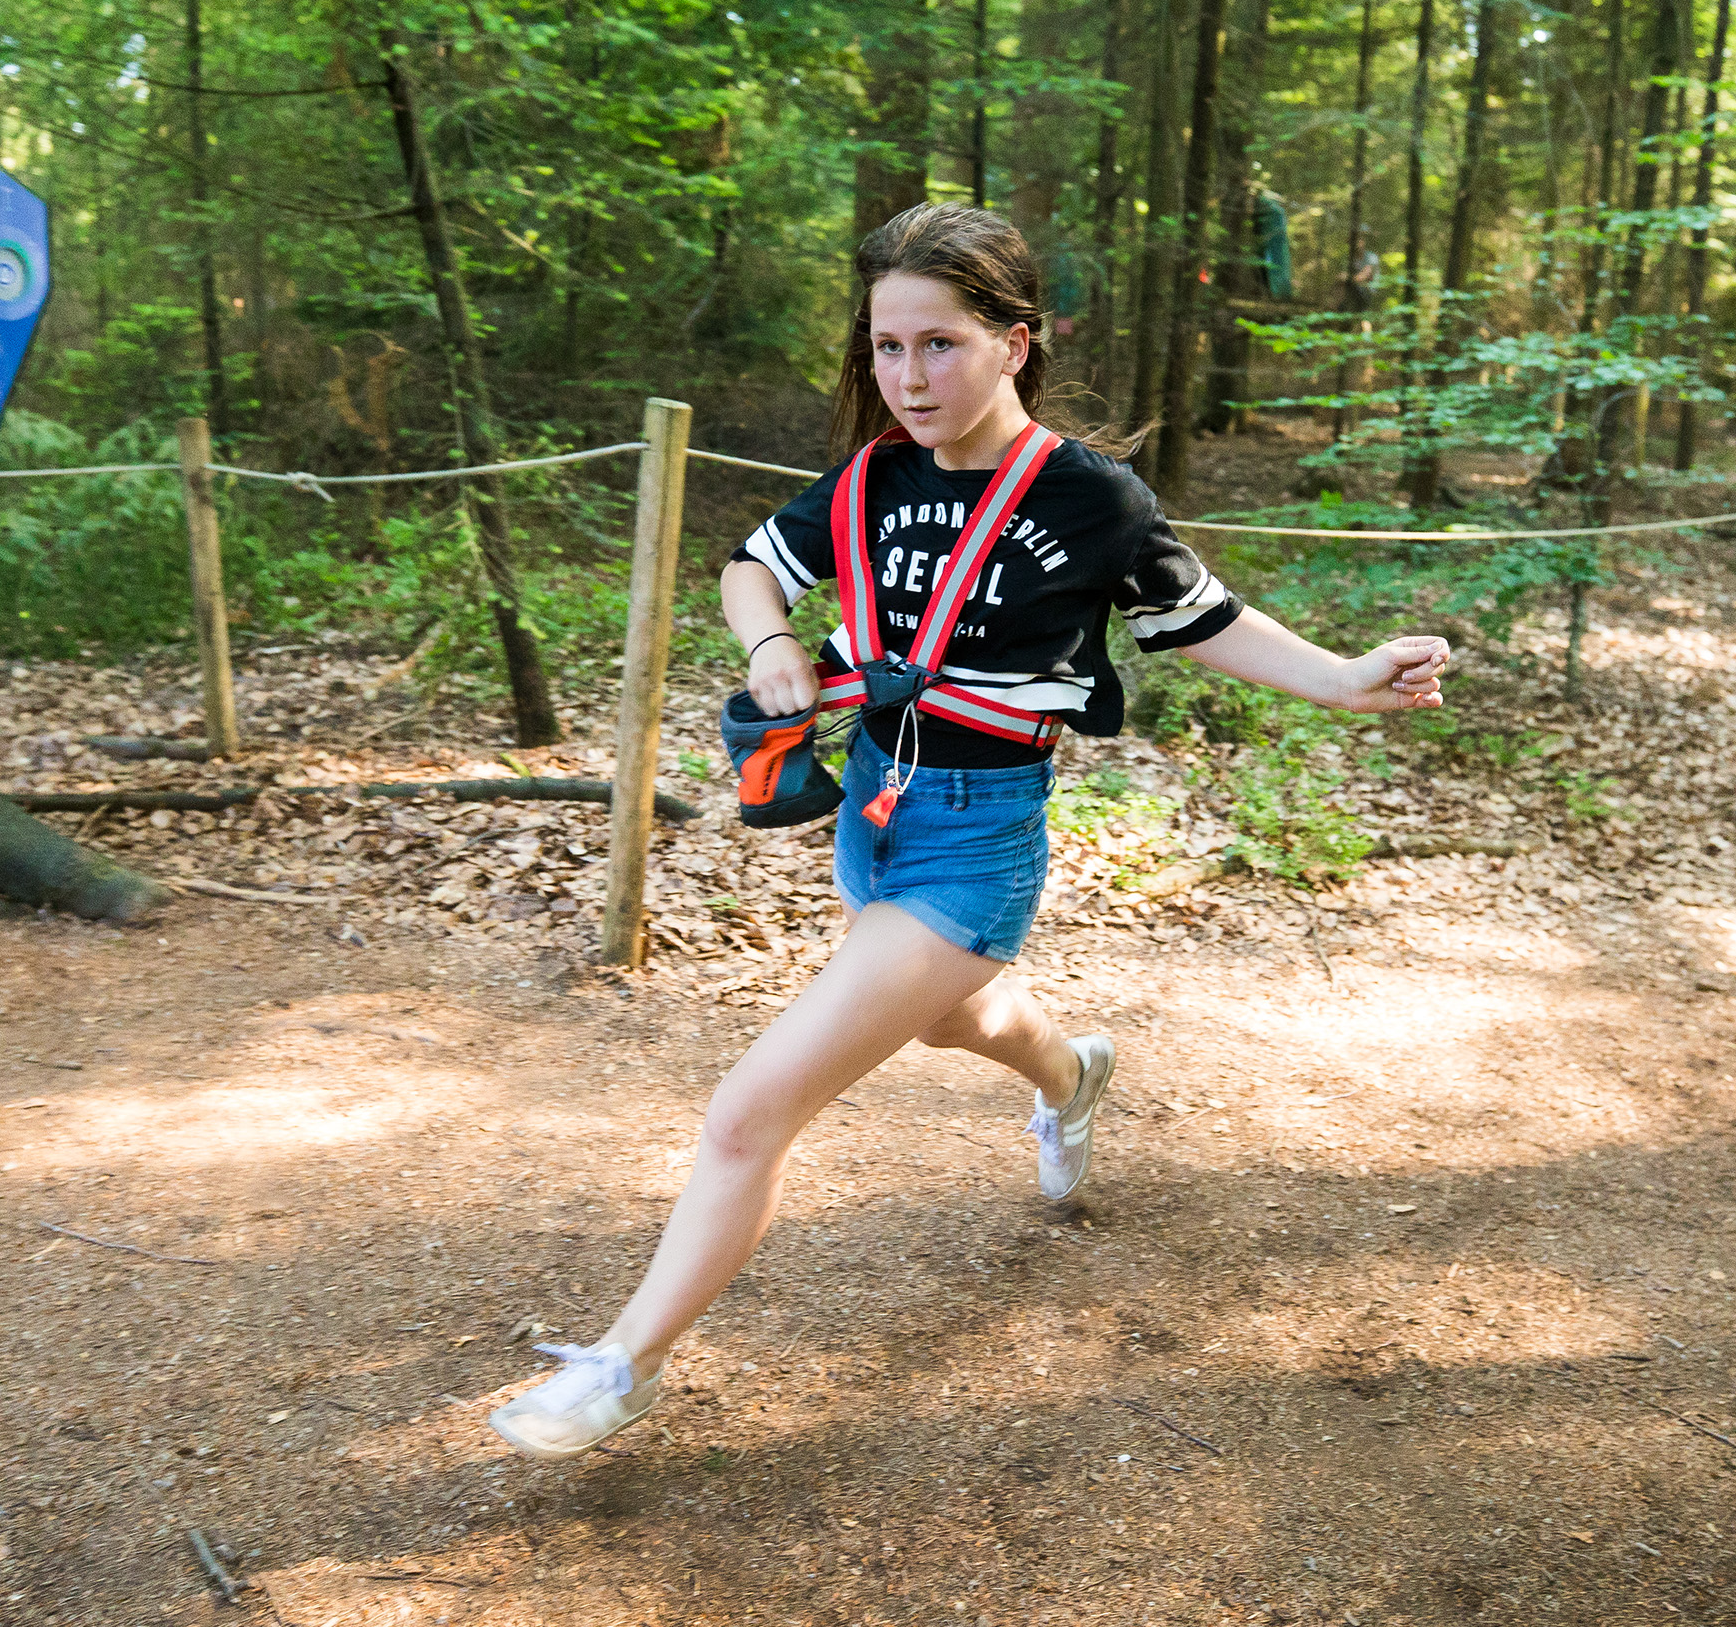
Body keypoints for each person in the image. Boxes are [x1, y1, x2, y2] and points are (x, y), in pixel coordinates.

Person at [487, 205, 1451, 1460]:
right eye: (886, 349)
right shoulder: (875, 474)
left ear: (1015, 341)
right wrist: (774, 643)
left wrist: (1342, 674)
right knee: (955, 1017)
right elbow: (748, 566)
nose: (908, 377)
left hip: (979, 833)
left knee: (749, 1108)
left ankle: (626, 1365)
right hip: (873, 809)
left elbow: (1203, 616)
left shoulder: (1089, 495)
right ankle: (1072, 1072)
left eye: (938, 344)